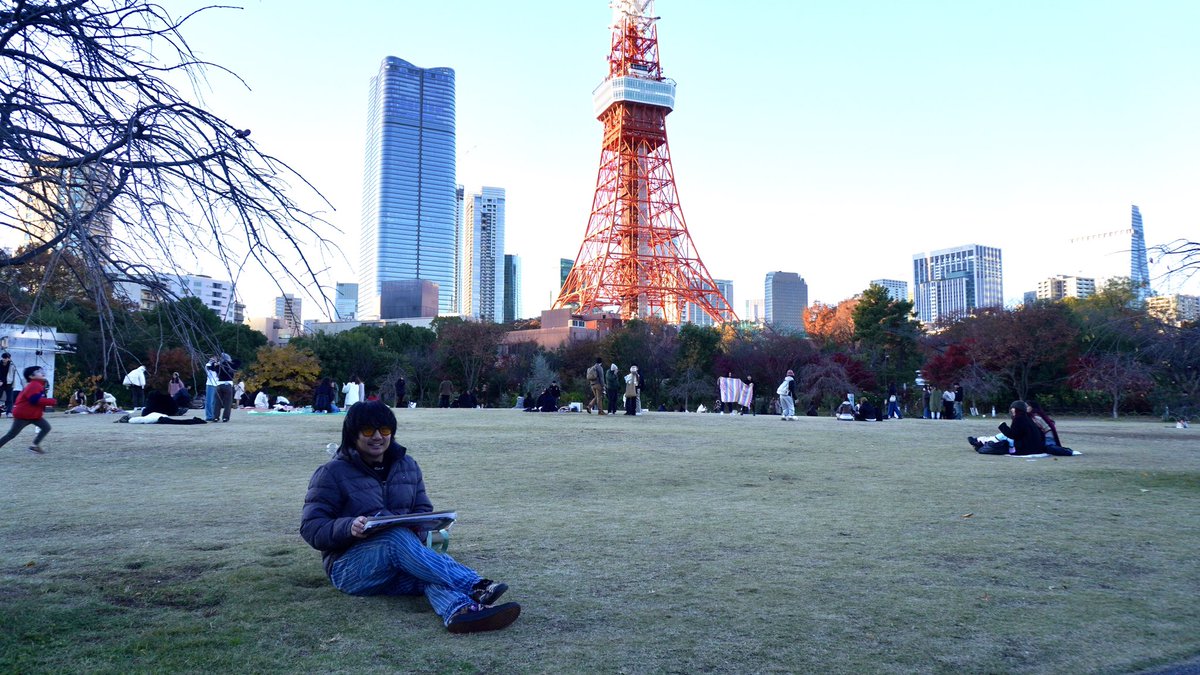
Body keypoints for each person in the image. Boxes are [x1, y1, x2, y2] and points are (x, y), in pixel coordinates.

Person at [300, 401, 520, 633]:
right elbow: (311, 527)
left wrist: (425, 526)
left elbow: (423, 510)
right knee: (396, 537)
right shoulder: (331, 473)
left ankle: (460, 612)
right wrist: (348, 527)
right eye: (368, 431)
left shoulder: (407, 465)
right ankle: (474, 584)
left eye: (384, 430)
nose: (377, 437)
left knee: (424, 570)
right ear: (352, 434)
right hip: (350, 569)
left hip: (401, 562)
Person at [967, 400, 1074, 456]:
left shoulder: (1020, 418)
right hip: (1034, 446)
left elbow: (1013, 435)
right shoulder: (1027, 418)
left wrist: (1002, 426)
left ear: (1016, 409)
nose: (1012, 411)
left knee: (1003, 437)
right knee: (1002, 437)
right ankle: (980, 441)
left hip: (1025, 448)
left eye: (1013, 409)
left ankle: (980, 441)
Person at [0, 366, 57, 454]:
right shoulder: (34, 385)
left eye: (41, 370)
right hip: (23, 415)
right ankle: (34, 445)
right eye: (38, 371)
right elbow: (34, 400)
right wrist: (51, 401)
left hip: (33, 415)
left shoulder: (38, 384)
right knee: (11, 434)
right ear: (31, 376)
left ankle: (34, 446)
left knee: (46, 427)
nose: (42, 372)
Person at [209, 353, 237, 423]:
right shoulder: (231, 365)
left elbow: (211, 367)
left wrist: (216, 363)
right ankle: (225, 418)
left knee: (217, 402)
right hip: (228, 385)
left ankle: (215, 417)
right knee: (227, 403)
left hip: (219, 385)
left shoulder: (218, 366)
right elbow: (238, 362)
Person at [0, 352, 21, 416]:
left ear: (9, 358)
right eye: (3, 358)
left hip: (9, 383)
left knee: (10, 399)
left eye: (6, 358)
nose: (4, 359)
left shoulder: (12, 365)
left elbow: (13, 375)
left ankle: (9, 412)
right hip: (0, 383)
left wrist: (13, 384)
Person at [204, 355, 220, 421]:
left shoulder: (218, 366)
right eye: (212, 358)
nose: (214, 359)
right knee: (209, 401)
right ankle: (209, 416)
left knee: (214, 401)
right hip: (210, 384)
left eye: (215, 358)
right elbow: (209, 367)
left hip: (216, 384)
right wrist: (215, 363)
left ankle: (214, 415)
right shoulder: (208, 364)